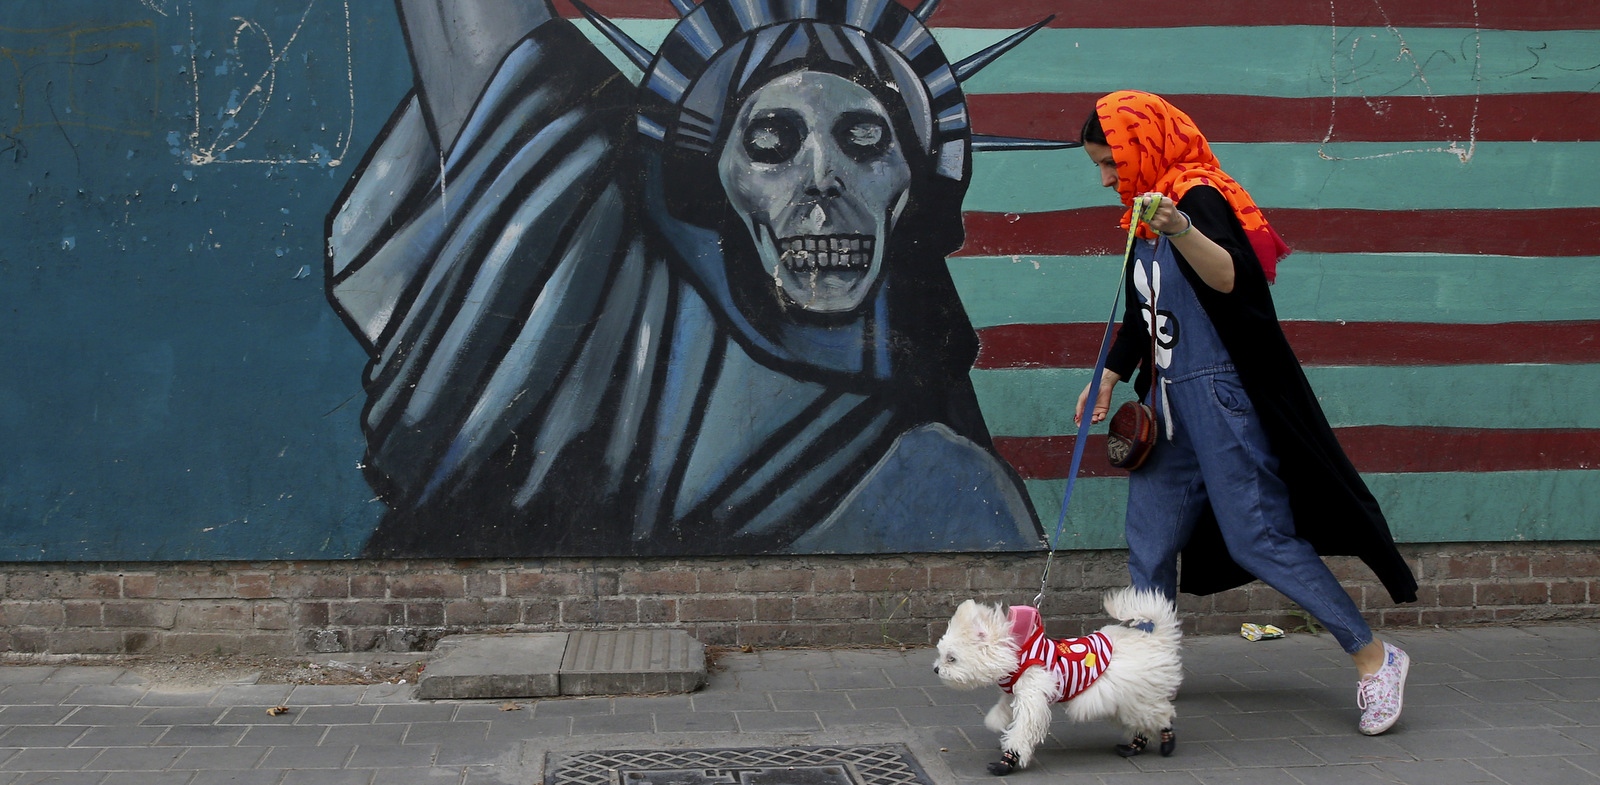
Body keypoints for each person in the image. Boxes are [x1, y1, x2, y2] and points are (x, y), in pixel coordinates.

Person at [323, 0, 1047, 557]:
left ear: (910, 183)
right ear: (716, 181)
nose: (824, 180)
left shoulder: (945, 479)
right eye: (773, 140)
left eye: (864, 138)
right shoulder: (598, 280)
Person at [1072, 90, 1417, 736]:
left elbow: (1236, 279)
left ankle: (1375, 657)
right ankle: (1153, 674)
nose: (1106, 179)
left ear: (1140, 146)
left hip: (1221, 399)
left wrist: (1182, 228)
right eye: (1101, 167)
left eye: (1110, 163)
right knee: (1148, 545)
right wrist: (1110, 378)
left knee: (1259, 538)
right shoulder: (1141, 215)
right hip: (1167, 406)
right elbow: (1141, 313)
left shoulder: (1198, 198)